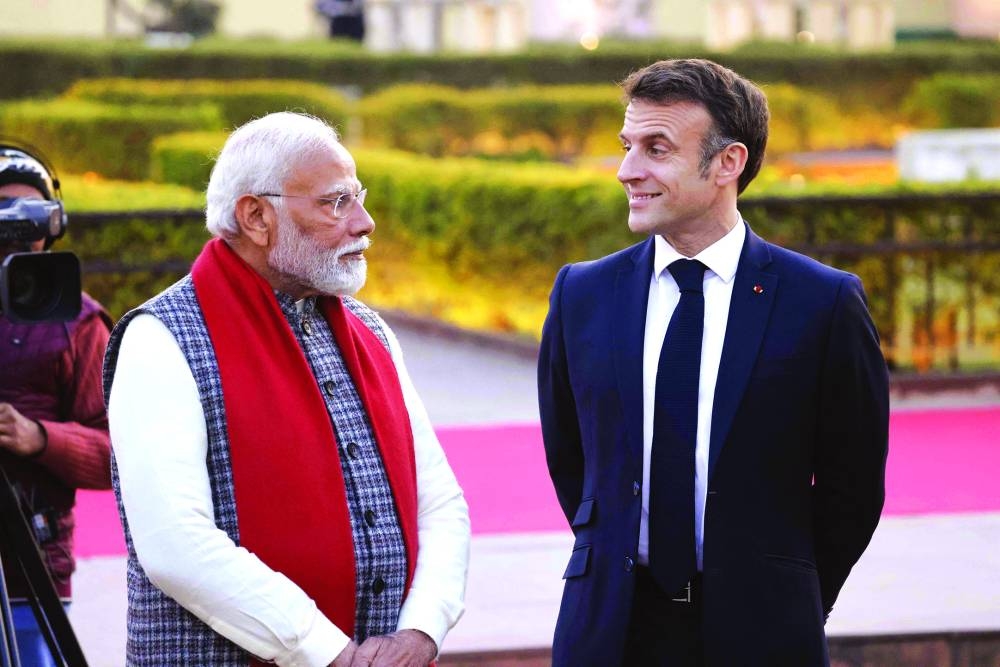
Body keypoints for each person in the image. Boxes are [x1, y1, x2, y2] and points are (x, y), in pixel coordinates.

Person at [537, 59, 889, 666]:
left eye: (656, 148)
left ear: (729, 163)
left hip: (765, 634)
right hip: (609, 633)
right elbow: (573, 462)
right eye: (626, 146)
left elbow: (852, 490)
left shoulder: (822, 302)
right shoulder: (581, 294)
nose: (627, 171)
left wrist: (787, 592)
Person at [104, 112, 470, 667]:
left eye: (359, 198)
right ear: (256, 216)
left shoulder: (367, 330)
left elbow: (439, 502)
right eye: (335, 202)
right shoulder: (161, 339)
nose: (365, 222)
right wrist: (329, 652)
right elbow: (175, 545)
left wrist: (420, 632)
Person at [0, 146, 113, 667]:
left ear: (55, 223)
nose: (15, 233)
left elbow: (117, 455)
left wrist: (38, 437)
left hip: (33, 572)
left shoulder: (81, 322)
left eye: (30, 216)